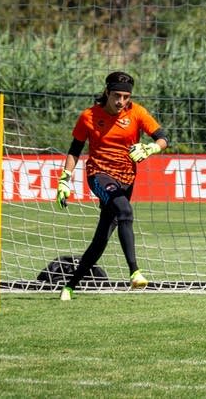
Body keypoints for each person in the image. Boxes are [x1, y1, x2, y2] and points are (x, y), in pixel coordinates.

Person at [55, 71, 168, 301]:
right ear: (107, 92)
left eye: (126, 96)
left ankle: (70, 286)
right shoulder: (88, 116)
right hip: (99, 176)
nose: (121, 101)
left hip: (127, 179)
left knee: (101, 238)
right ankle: (135, 272)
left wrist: (150, 148)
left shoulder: (137, 112)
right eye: (117, 95)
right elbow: (75, 150)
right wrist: (64, 179)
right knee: (125, 211)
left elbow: (163, 137)